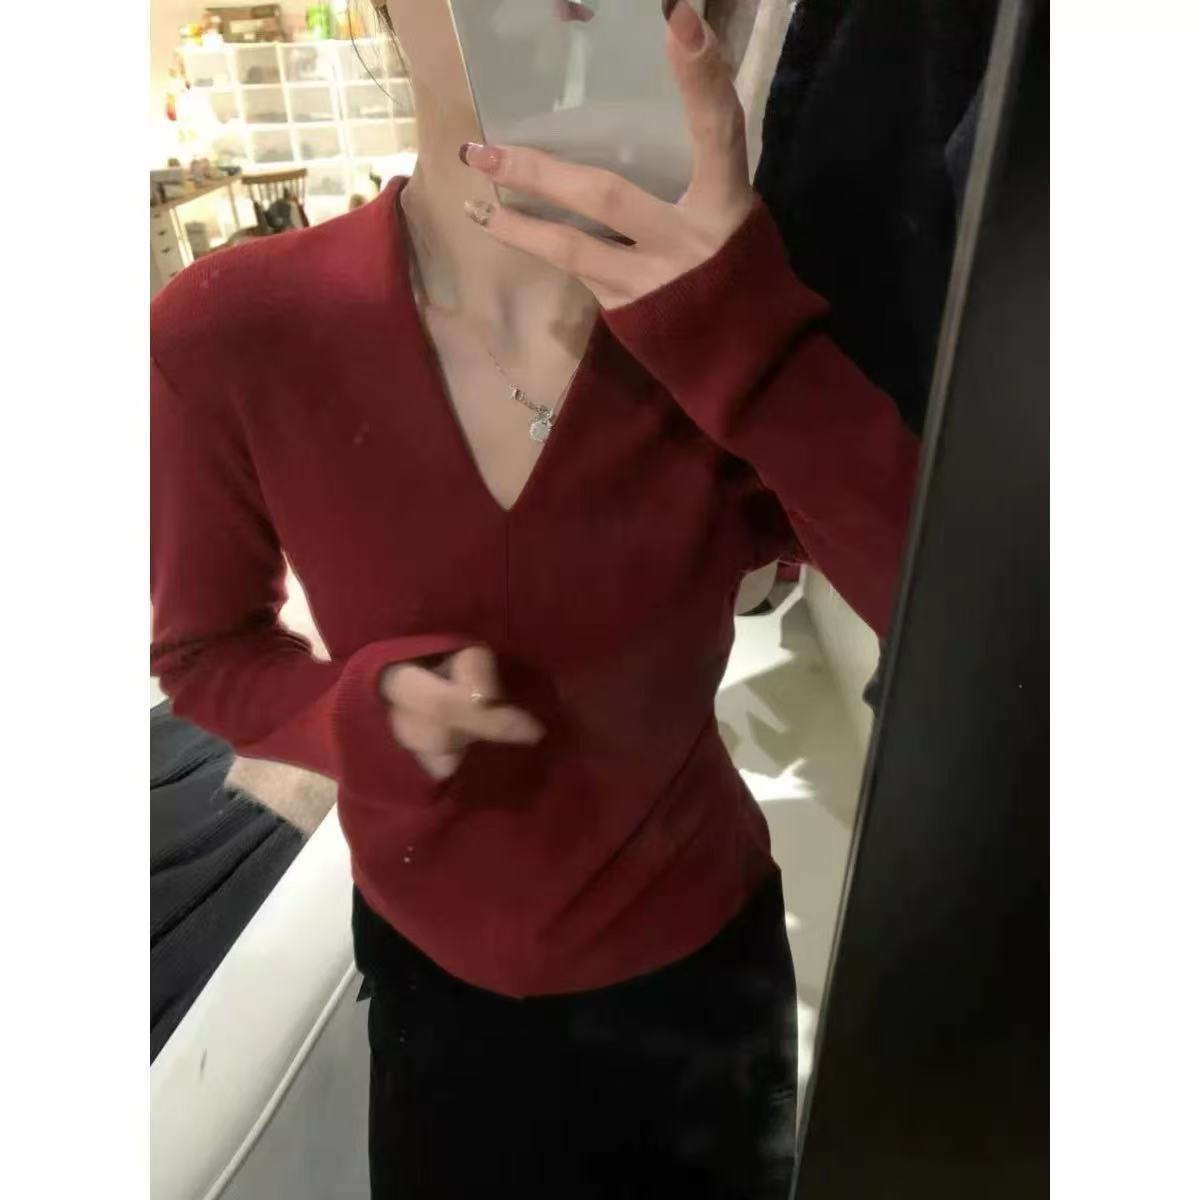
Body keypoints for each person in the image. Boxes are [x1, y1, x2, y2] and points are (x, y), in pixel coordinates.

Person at [150, 2, 919, 1196]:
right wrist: (353, 720)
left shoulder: (745, 315)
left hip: (706, 989)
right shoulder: (234, 331)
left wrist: (748, 346)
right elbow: (203, 653)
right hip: (437, 1004)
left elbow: (962, 628)